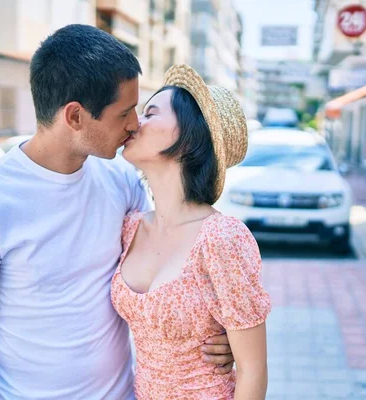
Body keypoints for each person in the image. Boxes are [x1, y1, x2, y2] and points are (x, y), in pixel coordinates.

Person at [0, 25, 234, 400]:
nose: (134, 125)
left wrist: (219, 331)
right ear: (75, 116)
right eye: (125, 112)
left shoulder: (120, 179)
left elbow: (168, 268)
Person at [112, 65, 271, 399]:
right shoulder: (130, 227)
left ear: (188, 136)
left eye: (150, 113)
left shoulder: (221, 238)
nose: (135, 123)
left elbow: (253, 372)